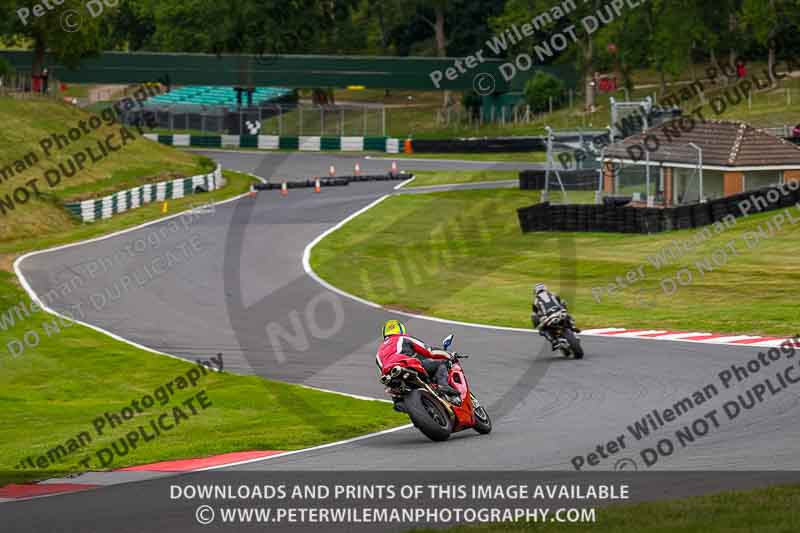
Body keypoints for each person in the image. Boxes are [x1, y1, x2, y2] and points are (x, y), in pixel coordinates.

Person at [376, 320, 458, 401]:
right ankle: (443, 385)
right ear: (401, 330)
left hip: (390, 375)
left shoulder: (378, 353)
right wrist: (449, 355)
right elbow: (429, 351)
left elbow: (381, 372)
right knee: (441, 363)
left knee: (393, 392)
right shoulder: (403, 338)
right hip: (406, 365)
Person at [531, 283, 579, 349]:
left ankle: (553, 341)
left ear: (535, 291)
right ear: (545, 288)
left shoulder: (535, 301)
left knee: (542, 329)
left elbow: (535, 314)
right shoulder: (553, 294)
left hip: (548, 317)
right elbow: (562, 302)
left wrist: (538, 323)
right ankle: (573, 327)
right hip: (560, 312)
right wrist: (563, 308)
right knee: (567, 314)